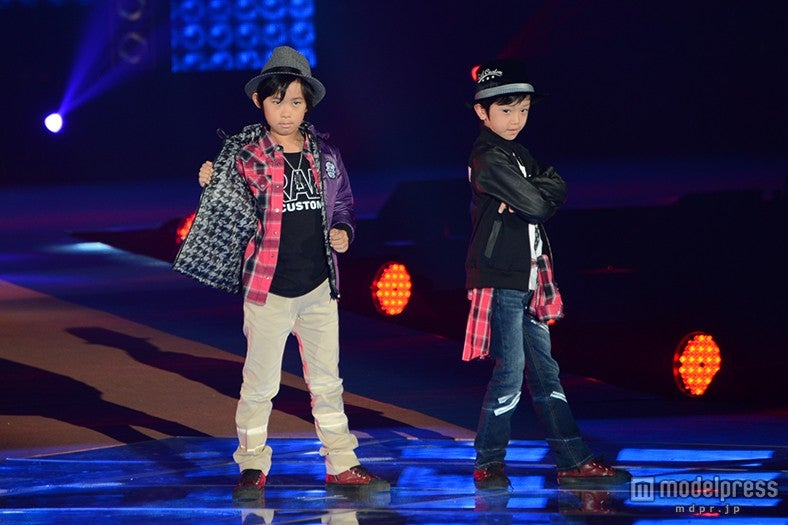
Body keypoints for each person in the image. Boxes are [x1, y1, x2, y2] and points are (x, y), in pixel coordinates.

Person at [173, 46, 389, 501]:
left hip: (319, 287)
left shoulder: (325, 154)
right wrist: (212, 180)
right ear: (260, 102)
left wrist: (344, 230)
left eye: (295, 101)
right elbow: (225, 212)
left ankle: (341, 463)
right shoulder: (246, 155)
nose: (286, 111)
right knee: (260, 385)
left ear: (308, 104)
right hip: (268, 289)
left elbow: (344, 202)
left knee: (328, 382)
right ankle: (252, 464)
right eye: (277, 101)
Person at [462, 58, 631, 490]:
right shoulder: (487, 157)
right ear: (482, 111)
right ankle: (489, 462)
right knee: (509, 372)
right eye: (506, 110)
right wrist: (536, 196)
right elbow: (540, 204)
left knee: (545, 373)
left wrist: (533, 194)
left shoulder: (519, 153)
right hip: (501, 276)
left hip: (531, 277)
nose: (516, 119)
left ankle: (573, 459)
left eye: (522, 110)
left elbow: (557, 187)